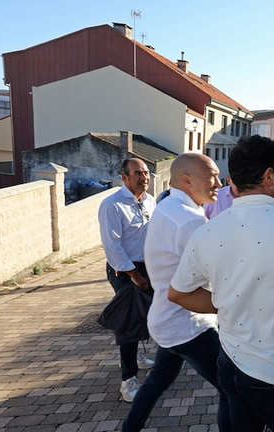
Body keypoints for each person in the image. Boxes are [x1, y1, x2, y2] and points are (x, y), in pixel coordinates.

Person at [168, 135, 274, 432]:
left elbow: (178, 293)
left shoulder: (208, 231)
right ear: (269, 176)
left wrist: (227, 301)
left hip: (232, 366)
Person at [122, 153, 231, 431]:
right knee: (233, 388)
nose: (219, 183)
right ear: (187, 180)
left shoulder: (169, 205)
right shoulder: (189, 220)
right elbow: (219, 276)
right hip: (188, 325)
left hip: (168, 320)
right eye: (212, 176)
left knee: (157, 381)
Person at [98, 157, 156, 402]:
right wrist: (134, 275)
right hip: (125, 271)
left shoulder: (151, 200)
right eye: (137, 173)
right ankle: (128, 380)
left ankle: (138, 357)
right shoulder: (112, 204)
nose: (144, 177)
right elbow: (112, 245)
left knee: (146, 315)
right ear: (124, 177)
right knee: (130, 322)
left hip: (149, 267)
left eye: (146, 172)